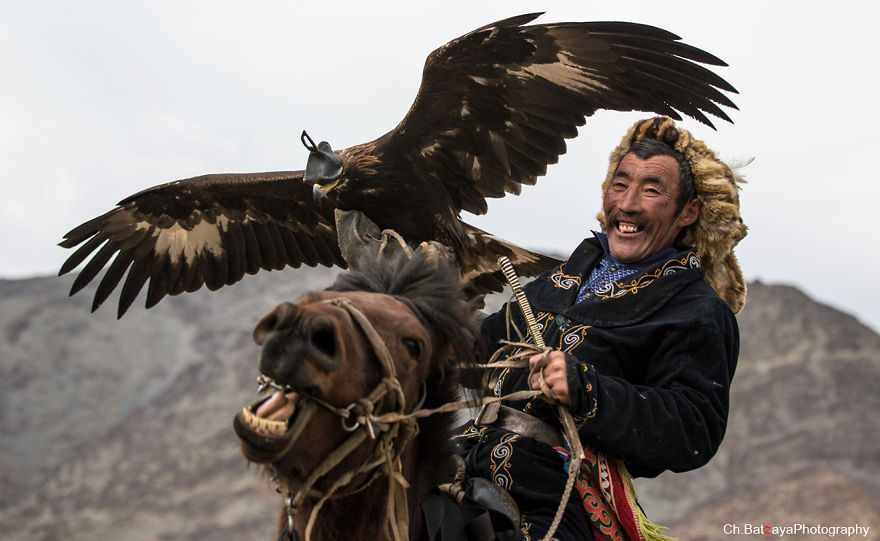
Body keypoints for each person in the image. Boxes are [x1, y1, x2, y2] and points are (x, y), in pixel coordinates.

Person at [457, 116, 748, 541]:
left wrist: (586, 389)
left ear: (689, 211)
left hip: (559, 492)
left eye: (652, 190)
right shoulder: (560, 281)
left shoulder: (695, 310)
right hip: (463, 457)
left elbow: (694, 428)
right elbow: (482, 349)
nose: (628, 203)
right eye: (620, 184)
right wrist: (424, 305)